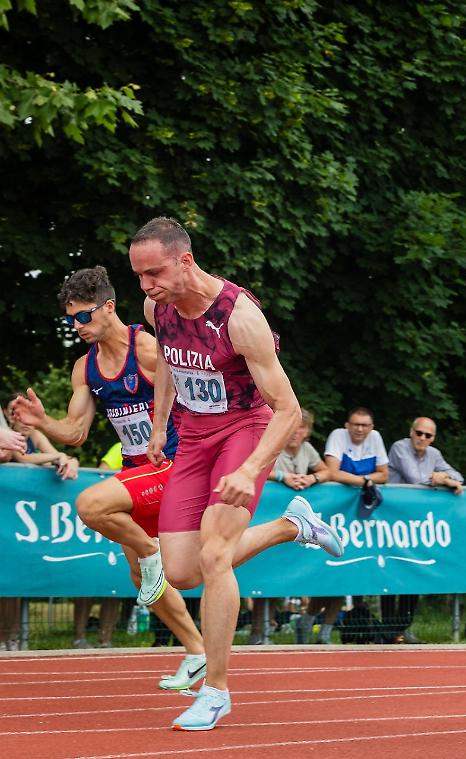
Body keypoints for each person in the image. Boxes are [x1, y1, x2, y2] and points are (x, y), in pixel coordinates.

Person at [129, 217, 344, 731]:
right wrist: (158, 427)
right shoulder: (156, 308)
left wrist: (250, 469)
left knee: (215, 554)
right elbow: (167, 369)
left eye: (154, 272)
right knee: (180, 572)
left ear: (185, 259)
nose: (146, 285)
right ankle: (292, 527)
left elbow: (288, 409)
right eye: (138, 275)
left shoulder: (239, 316)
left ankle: (217, 690)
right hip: (194, 436)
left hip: (246, 429)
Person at [11, 266, 207, 685]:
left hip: (174, 465)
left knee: (91, 504)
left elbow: (193, 394)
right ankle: (197, 651)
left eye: (84, 316)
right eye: (70, 320)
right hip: (138, 472)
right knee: (148, 577)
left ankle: (152, 553)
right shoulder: (86, 368)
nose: (77, 326)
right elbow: (76, 432)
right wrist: (43, 422)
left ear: (109, 307)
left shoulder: (149, 348)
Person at [384, 416, 465, 642]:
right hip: (392, 520)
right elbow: (414, 478)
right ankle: (389, 629)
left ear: (433, 438)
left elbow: (459, 476)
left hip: (417, 524)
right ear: (411, 432)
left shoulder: (435, 454)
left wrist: (445, 477)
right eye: (418, 433)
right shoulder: (400, 447)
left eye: (427, 435)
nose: (422, 438)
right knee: (391, 573)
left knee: (414, 572)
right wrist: (441, 480)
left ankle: (403, 627)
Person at [263, 408, 330, 645]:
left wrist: (312, 478)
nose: (296, 431)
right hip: (270, 517)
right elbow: (257, 468)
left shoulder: (307, 450)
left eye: (302, 427)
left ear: (307, 432)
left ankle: (313, 626)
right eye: (294, 424)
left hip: (297, 525)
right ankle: (261, 632)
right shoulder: (273, 444)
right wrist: (283, 477)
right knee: (265, 571)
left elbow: (326, 470)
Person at [323, 407, 389, 520]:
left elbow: (384, 475)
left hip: (363, 503)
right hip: (336, 500)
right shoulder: (338, 435)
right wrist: (365, 481)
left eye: (364, 425)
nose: (359, 429)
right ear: (347, 425)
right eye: (356, 424)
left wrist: (361, 480)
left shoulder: (375, 436)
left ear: (371, 427)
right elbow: (332, 473)